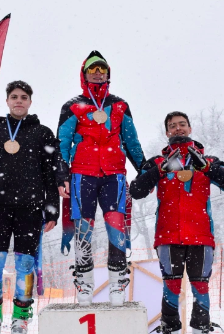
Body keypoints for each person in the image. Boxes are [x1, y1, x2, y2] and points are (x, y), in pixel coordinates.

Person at [130, 111, 224, 334]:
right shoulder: (157, 160)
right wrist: (158, 170)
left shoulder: (208, 160)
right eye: (172, 126)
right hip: (168, 236)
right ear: (167, 132)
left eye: (182, 124)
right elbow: (136, 191)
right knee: (170, 288)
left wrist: (208, 168)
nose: (178, 129)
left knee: (201, 288)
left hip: (201, 236)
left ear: (190, 128)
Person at [0, 80, 61, 334]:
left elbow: (50, 173)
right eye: (14, 97)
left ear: (30, 101)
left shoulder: (42, 133)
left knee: (25, 265)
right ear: (7, 101)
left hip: (30, 209)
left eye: (23, 97)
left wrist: (52, 211)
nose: (19, 101)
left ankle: (21, 318)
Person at [58, 50, 145, 307]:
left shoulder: (120, 105)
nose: (98, 73)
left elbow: (131, 141)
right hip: (81, 176)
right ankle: (84, 283)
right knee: (83, 229)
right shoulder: (72, 106)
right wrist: (61, 175)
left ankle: (118, 282)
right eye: (93, 70)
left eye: (102, 69)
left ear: (108, 74)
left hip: (113, 175)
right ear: (84, 74)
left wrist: (145, 170)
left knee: (116, 226)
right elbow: (62, 143)